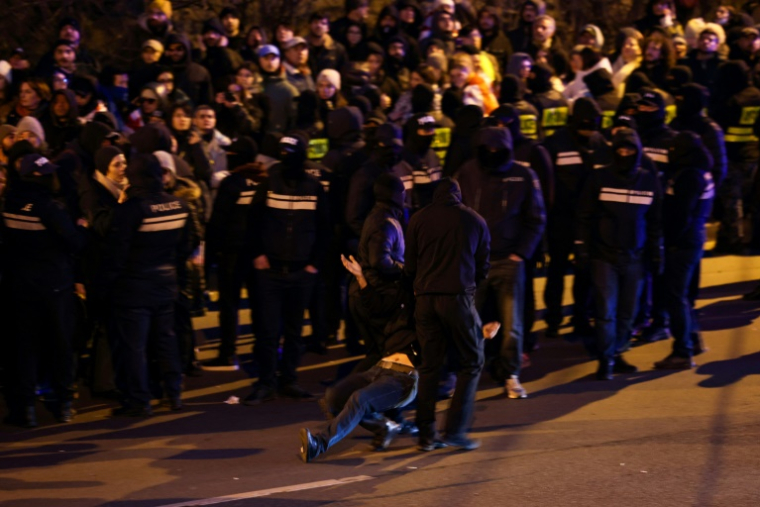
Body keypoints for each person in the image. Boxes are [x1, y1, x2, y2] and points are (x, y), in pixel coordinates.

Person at [300, 255, 500, 462]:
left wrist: (480, 335)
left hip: (403, 378)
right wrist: (360, 276)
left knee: (360, 399)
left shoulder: (433, 314)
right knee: (334, 397)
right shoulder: (402, 303)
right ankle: (384, 427)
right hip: (378, 369)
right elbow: (375, 306)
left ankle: (320, 443)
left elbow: (454, 341)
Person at [97, 153, 192, 416]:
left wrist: (105, 286)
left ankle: (139, 400)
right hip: (166, 283)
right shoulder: (179, 205)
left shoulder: (131, 209)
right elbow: (187, 246)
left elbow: (116, 252)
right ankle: (174, 394)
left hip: (133, 288)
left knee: (134, 347)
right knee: (166, 341)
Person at [456, 126, 546, 398]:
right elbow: (455, 211)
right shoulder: (467, 172)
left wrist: (521, 253)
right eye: (488, 149)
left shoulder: (523, 175)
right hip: (475, 262)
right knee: (468, 322)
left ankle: (511, 375)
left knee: (512, 325)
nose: (493, 154)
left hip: (509, 261)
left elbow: (537, 218)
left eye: (498, 150)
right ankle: (467, 375)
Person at [2, 153, 88, 427]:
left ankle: (24, 408)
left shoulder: (8, 204)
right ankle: (62, 404)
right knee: (60, 345)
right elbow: (74, 243)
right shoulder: (50, 208)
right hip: (55, 286)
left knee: (24, 349)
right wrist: (82, 230)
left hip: (20, 285)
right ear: (38, 177)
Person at [405, 177, 490, 451]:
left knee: (429, 367)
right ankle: (454, 430)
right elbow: (482, 266)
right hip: (457, 298)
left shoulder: (418, 219)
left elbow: (410, 265)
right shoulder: (475, 220)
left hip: (425, 300)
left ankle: (426, 435)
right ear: (458, 195)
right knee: (472, 361)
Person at [243, 133, 330, 404]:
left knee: (293, 331)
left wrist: (314, 265)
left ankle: (288, 379)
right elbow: (253, 222)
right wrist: (257, 255)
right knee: (267, 331)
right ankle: (266, 381)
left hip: (301, 271)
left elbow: (326, 230)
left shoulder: (314, 187)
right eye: (282, 151)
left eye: (290, 152)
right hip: (271, 271)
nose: (285, 157)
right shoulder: (268, 182)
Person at [576, 128, 663, 380]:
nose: (624, 154)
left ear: (637, 152)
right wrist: (581, 247)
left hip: (635, 257)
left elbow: (655, 220)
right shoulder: (599, 177)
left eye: (629, 150)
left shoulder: (648, 180)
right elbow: (584, 215)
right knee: (605, 311)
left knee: (628, 312)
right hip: (604, 256)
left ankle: (617, 352)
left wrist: (657, 252)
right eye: (620, 150)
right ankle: (605, 360)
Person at [203, 137, 265, 370]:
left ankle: (227, 354)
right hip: (259, 253)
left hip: (233, 254)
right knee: (260, 305)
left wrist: (209, 261)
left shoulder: (232, 183)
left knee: (229, 305)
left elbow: (217, 224)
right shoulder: (265, 180)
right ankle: (263, 351)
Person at [654, 132, 714, 369]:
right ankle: (693, 340)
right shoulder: (698, 171)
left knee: (676, 296)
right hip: (692, 241)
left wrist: (669, 242)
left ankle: (682, 351)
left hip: (682, 244)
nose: (670, 152)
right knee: (684, 296)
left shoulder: (690, 176)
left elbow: (681, 215)